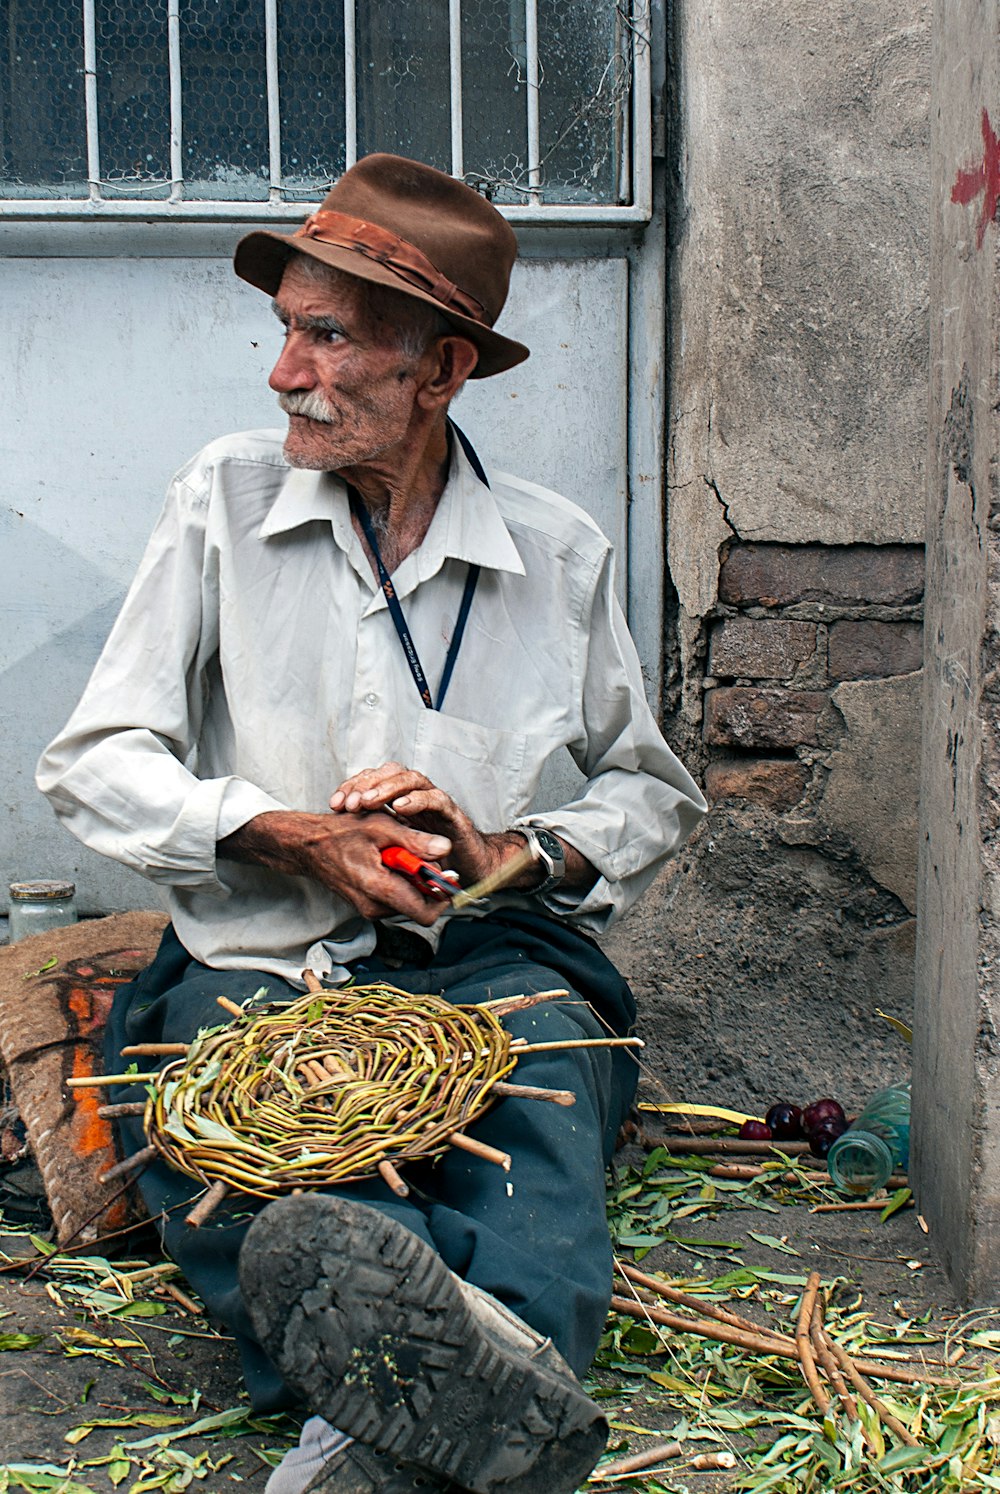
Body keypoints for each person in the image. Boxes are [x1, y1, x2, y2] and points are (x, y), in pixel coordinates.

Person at [37, 154, 706, 1494]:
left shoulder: (556, 549)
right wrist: (272, 828)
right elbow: (94, 760)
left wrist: (504, 853)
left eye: (324, 335)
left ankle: (422, 1407)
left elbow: (646, 794)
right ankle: (463, 1412)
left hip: (488, 959)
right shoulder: (222, 504)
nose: (283, 371)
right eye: (285, 329)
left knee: (540, 1124)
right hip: (263, 959)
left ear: (440, 371)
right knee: (236, 1159)